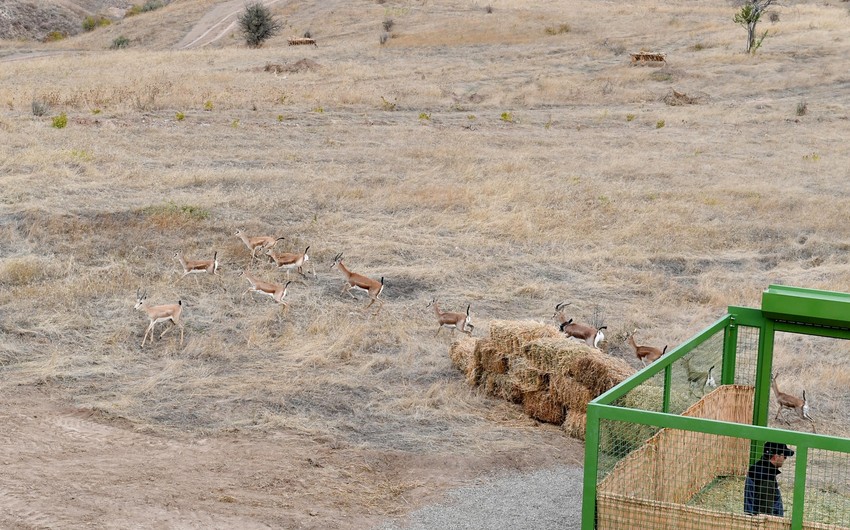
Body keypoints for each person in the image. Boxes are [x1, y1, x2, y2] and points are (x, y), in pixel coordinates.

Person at [744, 441, 795, 516]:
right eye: (784, 456)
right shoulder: (766, 477)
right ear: (776, 456)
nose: (785, 459)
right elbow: (766, 512)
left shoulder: (759, 468)